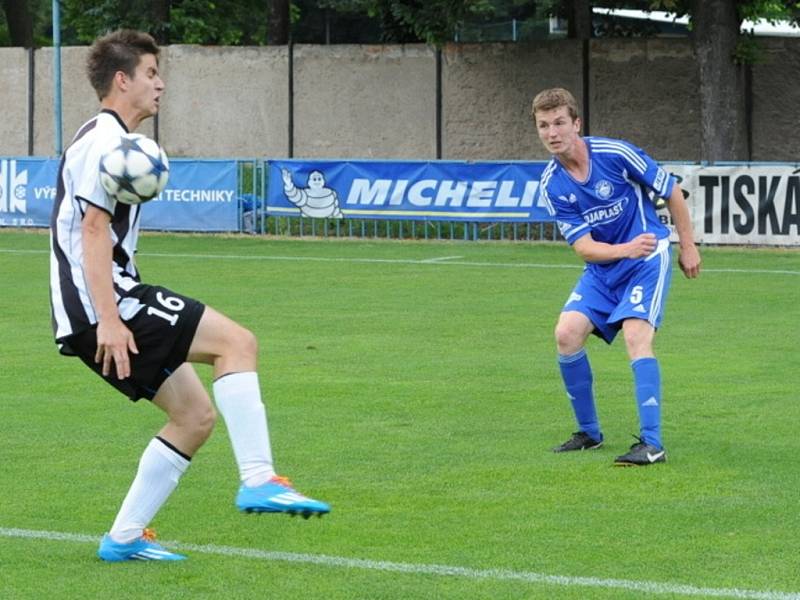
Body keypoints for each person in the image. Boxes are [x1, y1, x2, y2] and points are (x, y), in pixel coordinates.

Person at [49, 30, 330, 563]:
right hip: (105, 304)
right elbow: (91, 232)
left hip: (95, 306)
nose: (161, 84)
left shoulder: (110, 140)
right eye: (151, 74)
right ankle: (258, 478)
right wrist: (109, 320)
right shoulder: (104, 141)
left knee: (194, 417)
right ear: (122, 80)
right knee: (237, 343)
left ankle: (123, 539)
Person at [531, 88, 701, 466]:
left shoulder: (614, 153)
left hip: (647, 258)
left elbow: (671, 190)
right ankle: (589, 433)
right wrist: (624, 250)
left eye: (559, 122)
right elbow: (584, 248)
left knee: (636, 335)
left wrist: (687, 245)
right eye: (544, 125)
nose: (552, 132)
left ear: (577, 124)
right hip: (605, 267)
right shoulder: (552, 184)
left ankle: (652, 444)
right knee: (566, 334)